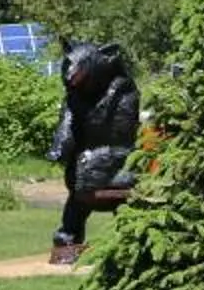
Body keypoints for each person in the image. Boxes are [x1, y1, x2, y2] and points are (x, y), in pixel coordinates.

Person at [47, 40, 139, 266]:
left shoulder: (124, 92)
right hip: (83, 174)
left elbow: (121, 137)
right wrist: (60, 146)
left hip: (115, 168)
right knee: (75, 208)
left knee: (113, 198)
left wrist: (91, 159)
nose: (70, 76)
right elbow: (67, 126)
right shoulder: (74, 96)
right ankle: (68, 244)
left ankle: (130, 247)